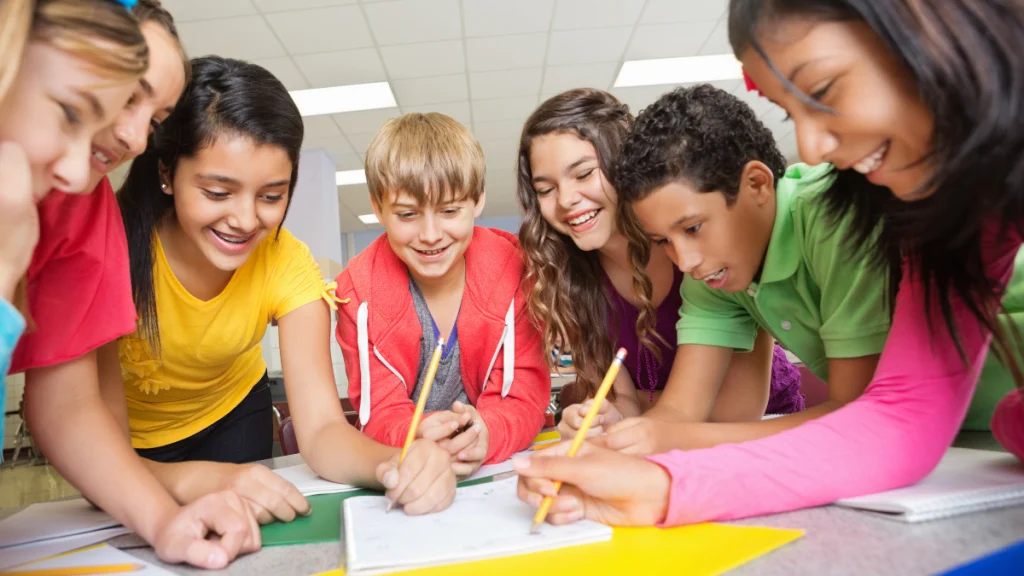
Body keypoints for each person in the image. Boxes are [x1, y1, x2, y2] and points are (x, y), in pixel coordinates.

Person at [514, 0, 1024, 527]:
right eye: (790, 112)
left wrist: (667, 463)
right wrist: (660, 481)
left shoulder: (839, 218)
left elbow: (873, 415)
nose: (811, 146)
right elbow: (903, 420)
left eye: (824, 91)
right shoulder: (948, 209)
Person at [115, 56, 457, 516]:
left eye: (271, 196)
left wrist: (395, 464)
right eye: (217, 193)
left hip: (233, 418)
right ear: (166, 173)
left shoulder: (286, 260)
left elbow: (319, 430)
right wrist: (193, 477)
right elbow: (85, 433)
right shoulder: (112, 247)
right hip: (123, 445)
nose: (244, 219)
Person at [2, 1, 260, 568]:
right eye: (123, 97)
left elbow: (68, 403)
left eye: (157, 119)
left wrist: (163, 521)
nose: (138, 140)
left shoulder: (82, 203)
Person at [515, 88, 803, 445]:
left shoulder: (708, 252)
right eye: (545, 189)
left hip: (762, 430)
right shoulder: (569, 278)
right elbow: (626, 402)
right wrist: (612, 417)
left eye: (584, 174)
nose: (566, 199)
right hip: (663, 434)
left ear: (627, 167)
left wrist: (643, 412)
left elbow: (734, 412)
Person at [335, 112, 551, 477]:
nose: (431, 234)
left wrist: (488, 433)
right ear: (377, 208)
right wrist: (415, 433)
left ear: (477, 201)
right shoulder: (357, 293)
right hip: (410, 471)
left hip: (494, 474)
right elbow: (379, 412)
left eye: (450, 210)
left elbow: (523, 398)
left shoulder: (519, 272)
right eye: (407, 215)